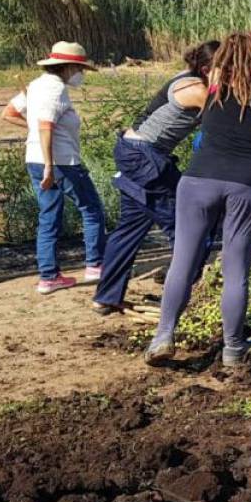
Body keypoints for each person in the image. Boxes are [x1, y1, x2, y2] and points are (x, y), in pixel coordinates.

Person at [146, 32, 251, 367]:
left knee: (183, 261)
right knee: (236, 269)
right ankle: (234, 348)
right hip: (246, 187)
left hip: (198, 181)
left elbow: (186, 90)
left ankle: (164, 335)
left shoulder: (211, 89)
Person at [91, 41, 222, 314]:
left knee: (130, 226)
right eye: (228, 69)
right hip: (144, 156)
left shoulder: (190, 79)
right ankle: (183, 297)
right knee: (191, 221)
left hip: (133, 151)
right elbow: (232, 117)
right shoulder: (195, 89)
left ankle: (107, 297)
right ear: (208, 68)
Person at [2, 41, 107, 295]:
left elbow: (9, 113)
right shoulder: (55, 90)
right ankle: (95, 265)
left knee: (48, 218)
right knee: (92, 209)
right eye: (80, 69)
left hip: (34, 159)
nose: (81, 74)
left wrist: (35, 134)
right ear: (69, 67)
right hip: (61, 163)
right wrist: (50, 165)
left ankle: (48, 277)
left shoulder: (35, 86)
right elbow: (46, 125)